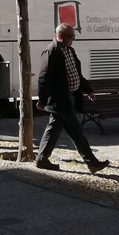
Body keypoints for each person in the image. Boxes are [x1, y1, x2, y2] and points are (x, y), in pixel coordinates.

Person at [35, 23, 109, 173]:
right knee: (76, 131)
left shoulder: (69, 50)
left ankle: (42, 159)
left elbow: (76, 73)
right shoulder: (51, 52)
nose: (73, 39)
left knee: (54, 129)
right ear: (61, 36)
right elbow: (44, 78)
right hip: (60, 99)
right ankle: (92, 162)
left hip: (70, 96)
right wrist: (42, 100)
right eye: (71, 37)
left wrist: (88, 89)